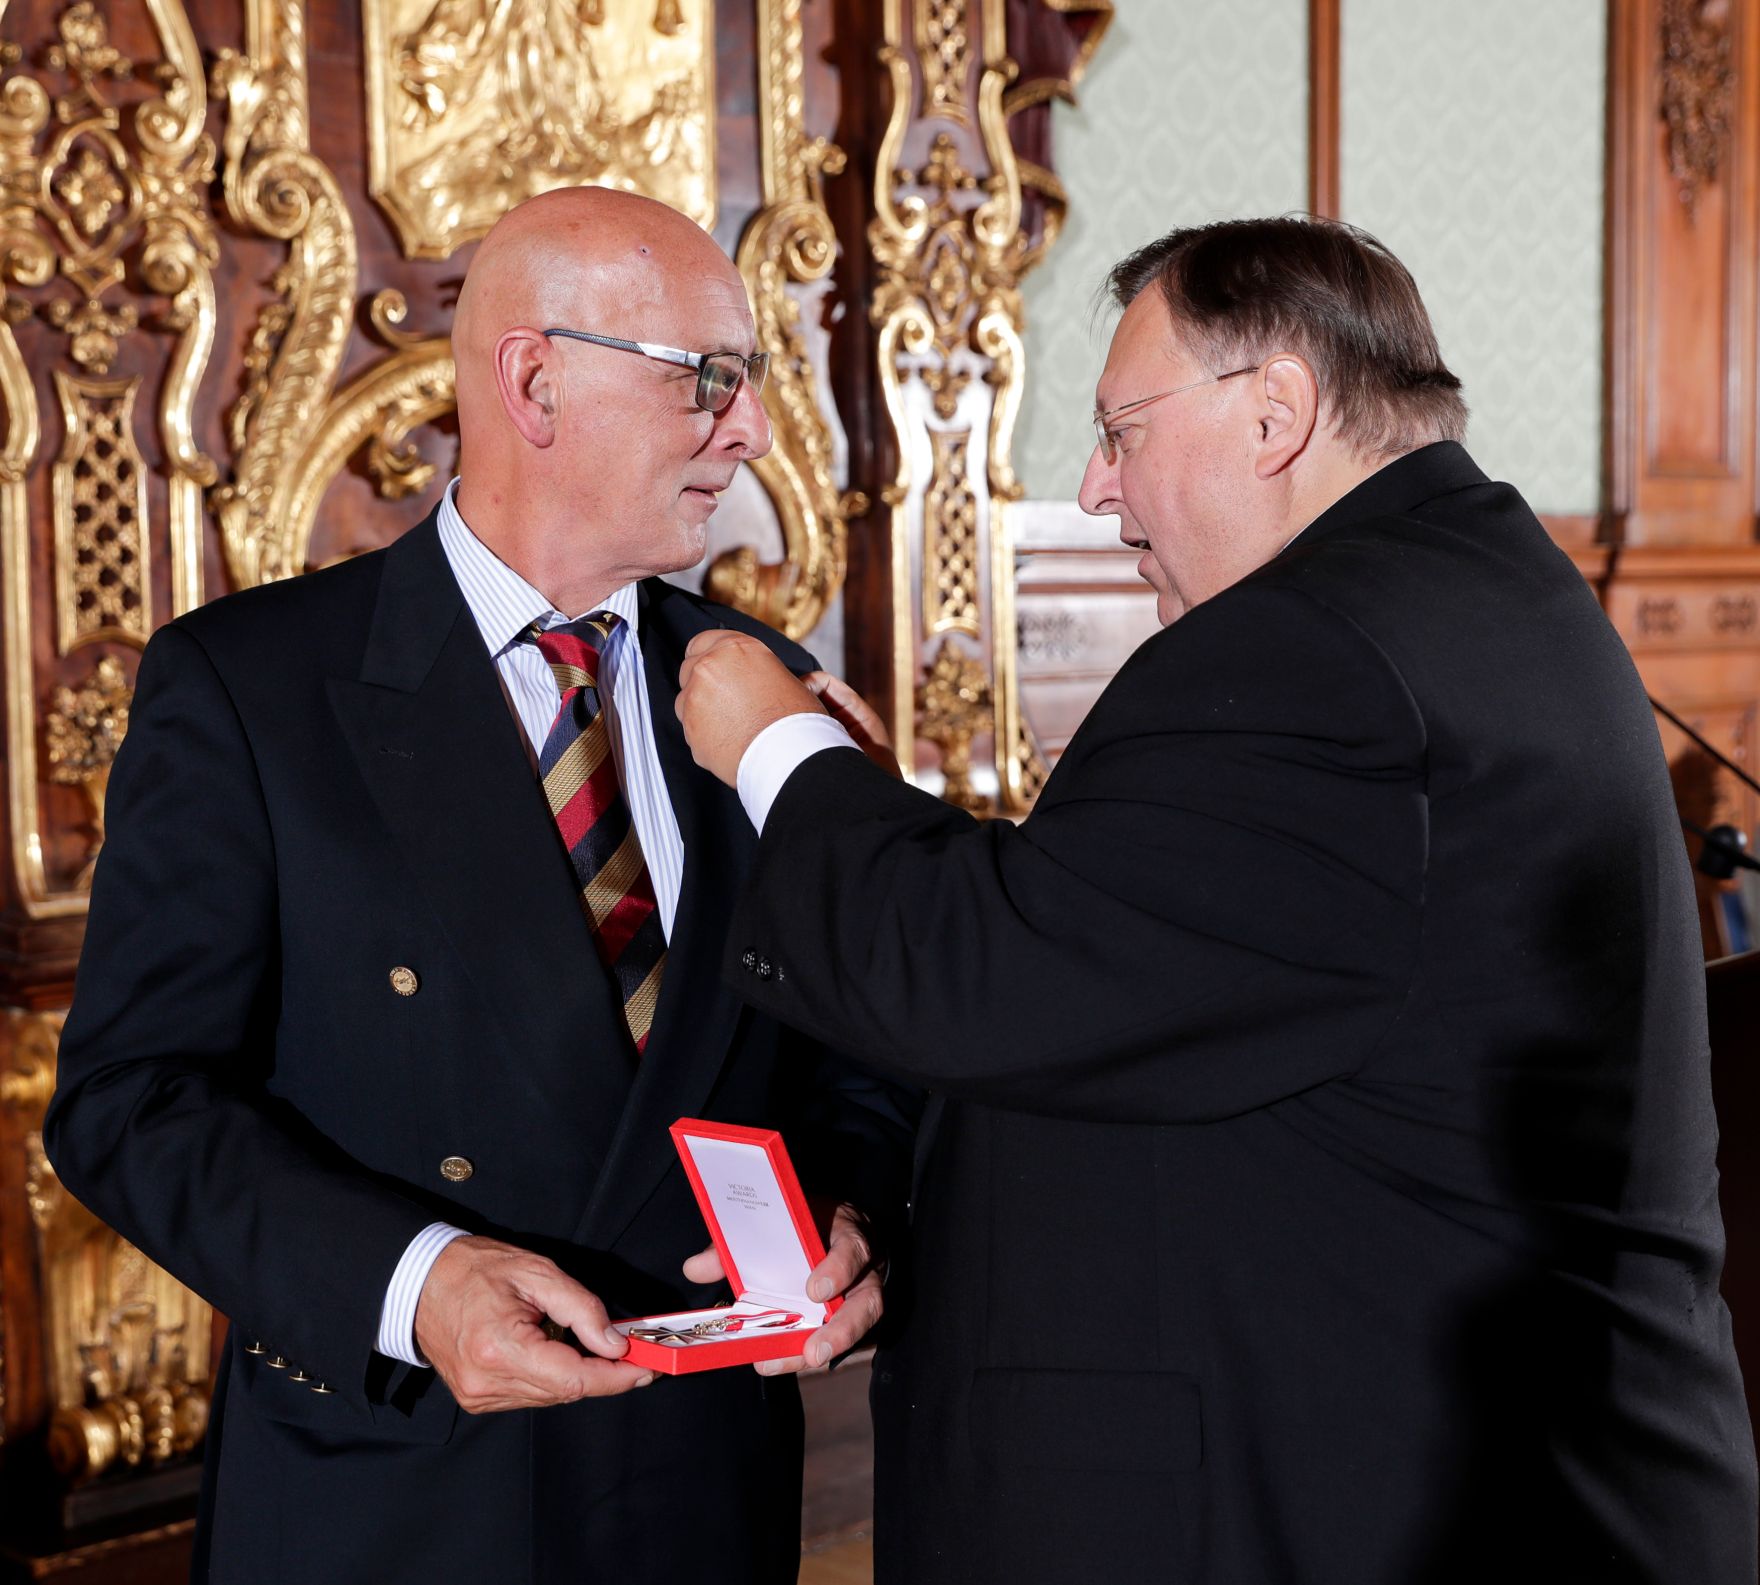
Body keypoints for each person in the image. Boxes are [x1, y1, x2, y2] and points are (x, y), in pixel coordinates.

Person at [676, 216, 1759, 1583]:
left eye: (1122, 430)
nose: (1098, 488)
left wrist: (782, 750)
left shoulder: (1319, 653)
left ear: (1276, 412)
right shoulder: (1470, 593)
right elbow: (1146, 946)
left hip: (1372, 1500)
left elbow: (1000, 978)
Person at [44, 188, 909, 1585]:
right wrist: (416, 1282)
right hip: (392, 1498)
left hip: (698, 1501)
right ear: (534, 380)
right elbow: (128, 1101)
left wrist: (859, 1217)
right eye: (710, 380)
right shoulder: (247, 688)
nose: (750, 432)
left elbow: (854, 1054)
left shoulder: (764, 685)